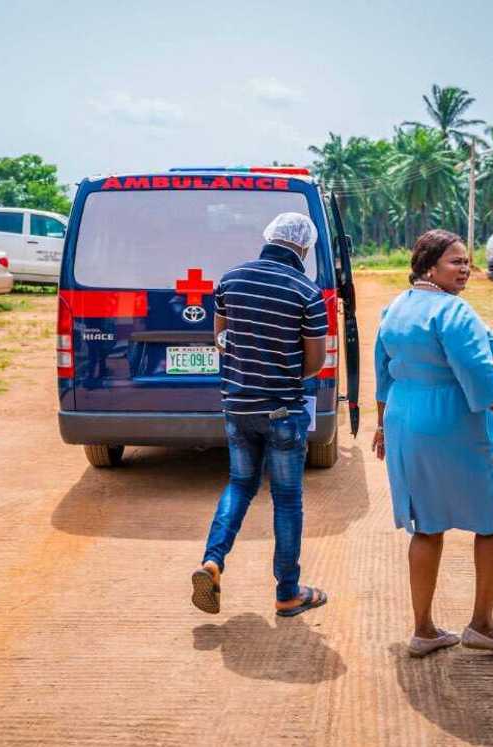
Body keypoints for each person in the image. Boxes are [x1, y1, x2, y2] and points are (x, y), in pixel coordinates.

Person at [373, 229, 493, 658]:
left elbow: (383, 372)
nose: (465, 268)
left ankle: (424, 630)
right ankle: (482, 624)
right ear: (429, 266)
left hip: (406, 420)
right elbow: (480, 377)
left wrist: (380, 426)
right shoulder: (454, 312)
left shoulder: (395, 309)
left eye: (467, 261)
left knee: (426, 525)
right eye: (455, 262)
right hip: (456, 422)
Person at [190, 212, 329, 618]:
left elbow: (219, 338)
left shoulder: (231, 280)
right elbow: (314, 363)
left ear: (269, 237)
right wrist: (281, 367)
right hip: (282, 411)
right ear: (303, 246)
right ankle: (287, 592)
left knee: (239, 485)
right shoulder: (306, 292)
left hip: (237, 406)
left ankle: (212, 562)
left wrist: (245, 362)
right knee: (286, 501)